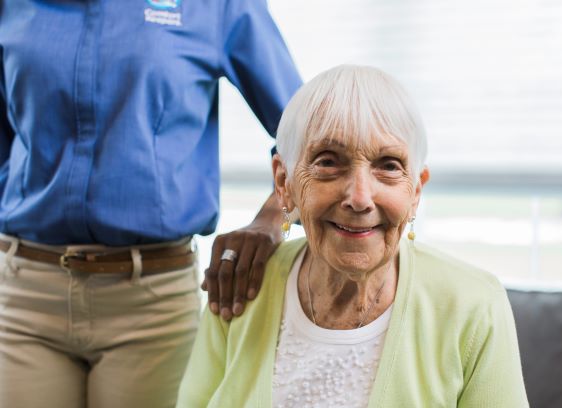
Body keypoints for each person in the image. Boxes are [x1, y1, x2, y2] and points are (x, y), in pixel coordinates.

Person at [0, 0, 301, 407]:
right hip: (24, 297)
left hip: (152, 306)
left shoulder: (217, 6)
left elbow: (309, 137)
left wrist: (271, 221)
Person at [176, 65, 529, 407]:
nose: (359, 198)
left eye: (388, 165)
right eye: (328, 162)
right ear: (284, 183)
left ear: (415, 192)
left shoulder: (474, 303)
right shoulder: (241, 285)